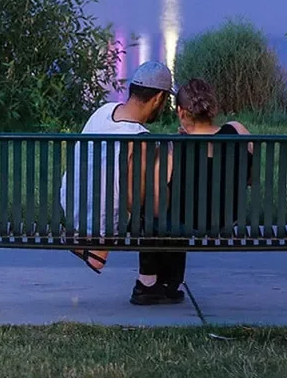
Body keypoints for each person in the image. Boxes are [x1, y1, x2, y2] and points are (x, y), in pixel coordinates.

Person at [131, 78, 253, 306]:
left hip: (187, 222)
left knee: (156, 213)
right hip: (227, 220)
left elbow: (156, 204)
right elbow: (250, 178)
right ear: (212, 107)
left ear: (180, 111)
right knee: (172, 216)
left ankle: (147, 283)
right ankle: (169, 285)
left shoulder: (173, 148)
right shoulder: (238, 130)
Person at [62, 61, 174, 289]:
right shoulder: (141, 139)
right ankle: (153, 282)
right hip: (102, 223)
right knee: (159, 207)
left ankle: (91, 245)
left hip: (71, 204)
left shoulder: (104, 111)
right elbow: (136, 202)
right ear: (158, 99)